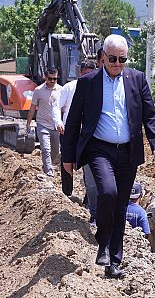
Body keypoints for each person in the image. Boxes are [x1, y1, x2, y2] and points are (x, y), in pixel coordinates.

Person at [61, 34, 155, 279]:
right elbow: (73, 120)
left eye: (122, 59)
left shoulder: (137, 80)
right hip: (99, 149)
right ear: (103, 57)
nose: (118, 63)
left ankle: (113, 261)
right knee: (108, 192)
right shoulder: (88, 83)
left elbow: (150, 115)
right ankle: (103, 241)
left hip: (128, 151)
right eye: (113, 59)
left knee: (121, 206)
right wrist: (68, 156)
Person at [55, 60, 98, 225]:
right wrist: (59, 122)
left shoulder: (104, 88)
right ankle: (68, 193)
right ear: (81, 73)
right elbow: (63, 111)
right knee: (81, 172)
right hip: (77, 135)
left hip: (98, 140)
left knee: (95, 177)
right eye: (85, 74)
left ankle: (94, 207)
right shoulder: (71, 88)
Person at [26, 67, 62, 177]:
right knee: (46, 149)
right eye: (50, 78)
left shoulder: (61, 90)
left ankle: (50, 165)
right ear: (45, 78)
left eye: (54, 79)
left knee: (56, 153)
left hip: (56, 126)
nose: (52, 81)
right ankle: (49, 172)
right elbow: (33, 107)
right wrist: (28, 123)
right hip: (42, 124)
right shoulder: (38, 91)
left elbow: (65, 108)